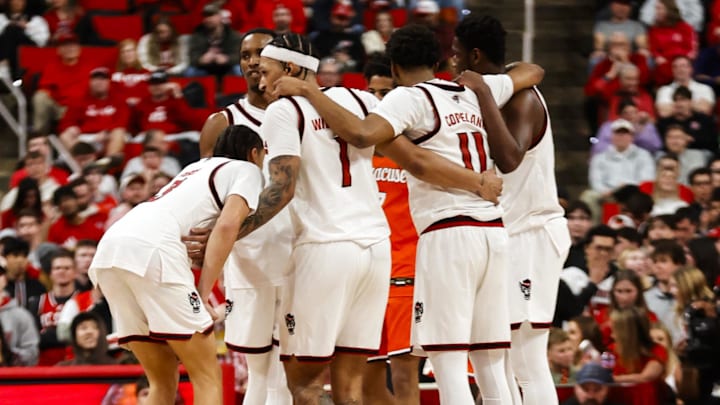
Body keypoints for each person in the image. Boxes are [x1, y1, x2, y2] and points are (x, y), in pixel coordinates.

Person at [269, 26, 543, 405]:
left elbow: (365, 135)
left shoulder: (406, 99)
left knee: (447, 363)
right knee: (491, 363)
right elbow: (533, 70)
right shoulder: (471, 91)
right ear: (440, 61)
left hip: (449, 232)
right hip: (494, 233)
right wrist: (483, 84)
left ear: (394, 68)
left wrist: (310, 91)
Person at [89, 125, 265, 405]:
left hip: (112, 247)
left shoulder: (196, 168)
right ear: (254, 153)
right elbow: (228, 225)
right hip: (152, 248)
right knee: (207, 375)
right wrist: (203, 291)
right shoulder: (248, 170)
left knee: (162, 379)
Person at [453, 14, 572, 405]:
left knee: (527, 360)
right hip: (509, 233)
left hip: (533, 235)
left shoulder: (520, 98)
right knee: (497, 357)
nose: (453, 64)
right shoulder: (505, 86)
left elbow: (509, 159)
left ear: (473, 54)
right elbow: (531, 68)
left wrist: (484, 94)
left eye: (456, 56)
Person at [195, 28, 295, 405]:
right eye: (245, 55)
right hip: (249, 252)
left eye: (260, 53)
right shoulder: (222, 121)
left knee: (290, 363)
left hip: (297, 248)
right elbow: (206, 193)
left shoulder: (303, 113)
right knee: (258, 368)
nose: (252, 61)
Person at [361, 54, 421, 405]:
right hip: (367, 273)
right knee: (367, 386)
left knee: (403, 374)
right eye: (372, 92)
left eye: (386, 92)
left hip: (405, 270)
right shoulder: (357, 147)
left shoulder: (418, 146)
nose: (379, 101)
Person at [28, 249, 78, 365]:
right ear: (50, 273)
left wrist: (47, 335)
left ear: (75, 272)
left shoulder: (83, 300)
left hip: (75, 367)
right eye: (57, 268)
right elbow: (33, 339)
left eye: (67, 268)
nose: (62, 271)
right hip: (43, 369)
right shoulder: (37, 302)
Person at [0, 264, 40, 366]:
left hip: (9, 378)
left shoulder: (21, 315)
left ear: (5, 279)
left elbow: (32, 354)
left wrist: (7, 354)